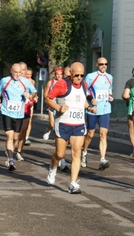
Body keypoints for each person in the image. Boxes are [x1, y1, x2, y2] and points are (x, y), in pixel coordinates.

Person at [45, 62, 96, 193]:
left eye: (82, 75)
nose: (79, 78)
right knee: (60, 154)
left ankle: (73, 183)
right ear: (71, 74)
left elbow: (83, 99)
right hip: (63, 123)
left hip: (78, 124)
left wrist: (89, 107)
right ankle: (53, 168)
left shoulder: (84, 84)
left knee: (76, 152)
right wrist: (58, 108)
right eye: (77, 75)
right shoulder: (62, 84)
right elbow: (48, 98)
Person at [0, 63, 37, 171]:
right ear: (11, 71)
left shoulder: (25, 82)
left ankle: (10, 152)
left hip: (19, 113)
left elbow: (34, 92)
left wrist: (30, 95)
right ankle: (10, 160)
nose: (18, 75)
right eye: (16, 72)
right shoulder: (5, 81)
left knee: (15, 137)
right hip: (6, 111)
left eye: (19, 72)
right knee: (9, 136)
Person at [81, 57, 113, 170]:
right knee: (90, 134)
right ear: (97, 65)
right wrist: (91, 99)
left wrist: (111, 97)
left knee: (103, 134)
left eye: (106, 64)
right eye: (101, 64)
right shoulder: (90, 76)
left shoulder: (110, 77)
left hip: (105, 109)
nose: (104, 66)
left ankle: (102, 159)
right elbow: (84, 90)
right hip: (93, 109)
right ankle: (84, 152)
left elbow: (109, 91)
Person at [15, 66, 38, 161]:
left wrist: (33, 97)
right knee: (14, 133)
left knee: (23, 131)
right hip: (14, 109)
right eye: (21, 70)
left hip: (26, 108)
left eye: (24, 70)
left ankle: (19, 152)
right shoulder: (12, 81)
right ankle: (11, 148)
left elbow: (34, 92)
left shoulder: (29, 82)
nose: (23, 72)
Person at [43, 67, 64, 140]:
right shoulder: (50, 82)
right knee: (52, 123)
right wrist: (48, 100)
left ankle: (58, 138)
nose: (59, 76)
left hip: (60, 106)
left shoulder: (64, 83)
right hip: (51, 105)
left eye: (60, 74)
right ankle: (48, 131)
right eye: (57, 74)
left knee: (58, 124)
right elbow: (45, 93)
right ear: (55, 74)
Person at [24, 67, 36, 146]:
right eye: (27, 74)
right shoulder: (22, 81)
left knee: (29, 120)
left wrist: (35, 97)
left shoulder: (33, 81)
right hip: (23, 102)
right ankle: (21, 135)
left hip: (30, 102)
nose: (28, 76)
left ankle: (26, 138)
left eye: (30, 74)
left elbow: (34, 91)